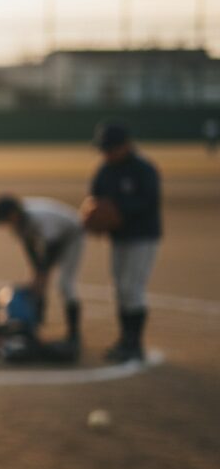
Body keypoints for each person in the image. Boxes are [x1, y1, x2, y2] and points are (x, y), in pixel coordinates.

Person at [86, 119, 162, 363]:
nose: (106, 153)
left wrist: (116, 210)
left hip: (142, 237)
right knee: (120, 289)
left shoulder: (143, 169)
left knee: (133, 288)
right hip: (118, 238)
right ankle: (125, 339)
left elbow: (149, 202)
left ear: (126, 145)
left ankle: (135, 344)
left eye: (111, 148)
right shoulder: (105, 169)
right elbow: (94, 196)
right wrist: (95, 212)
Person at [0, 195, 84, 348]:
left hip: (71, 234)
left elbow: (52, 246)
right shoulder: (18, 225)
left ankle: (74, 334)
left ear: (12, 214)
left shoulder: (39, 218)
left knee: (65, 284)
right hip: (53, 240)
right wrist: (37, 273)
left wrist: (43, 273)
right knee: (36, 281)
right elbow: (31, 249)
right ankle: (36, 325)